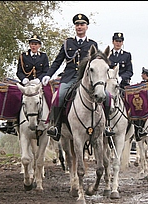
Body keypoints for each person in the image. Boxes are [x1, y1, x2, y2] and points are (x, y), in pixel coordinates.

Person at [43, 13, 104, 141]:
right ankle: (56, 127)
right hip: (69, 77)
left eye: (82, 24)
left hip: (86, 79)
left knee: (105, 96)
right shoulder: (67, 43)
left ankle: (105, 126)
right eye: (77, 24)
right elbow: (58, 61)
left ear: (87, 27)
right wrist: (48, 75)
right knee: (59, 97)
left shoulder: (92, 45)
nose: (79, 27)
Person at [0, 34, 50, 135]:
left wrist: (39, 80)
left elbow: (46, 70)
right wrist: (24, 79)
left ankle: (51, 122)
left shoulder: (43, 56)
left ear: (39, 45)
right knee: (14, 97)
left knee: (49, 96)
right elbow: (19, 71)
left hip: (38, 85)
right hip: (26, 84)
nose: (33, 46)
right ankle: (11, 123)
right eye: (32, 44)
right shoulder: (23, 56)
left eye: (35, 44)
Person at [133, 67, 148, 141]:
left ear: (145, 75)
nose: (141, 75)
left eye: (142, 74)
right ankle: (138, 130)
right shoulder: (141, 84)